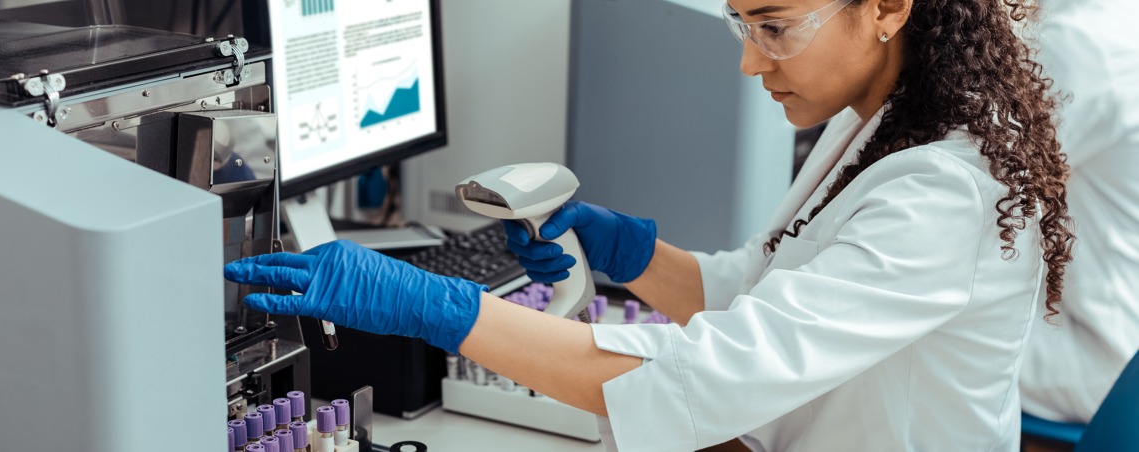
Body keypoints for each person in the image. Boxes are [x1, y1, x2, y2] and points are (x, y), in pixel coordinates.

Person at [224, 0, 1075, 450]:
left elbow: (715, 373)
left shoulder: (945, 193)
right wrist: (624, 250)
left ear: (887, 6)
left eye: (775, 28)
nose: (748, 61)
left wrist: (437, 308)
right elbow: (767, 291)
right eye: (742, 23)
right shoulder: (881, 118)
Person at [1017, 0, 1139, 424]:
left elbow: (988, 190)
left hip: (1096, 357)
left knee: (893, 335)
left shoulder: (1083, 45)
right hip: (1119, 341)